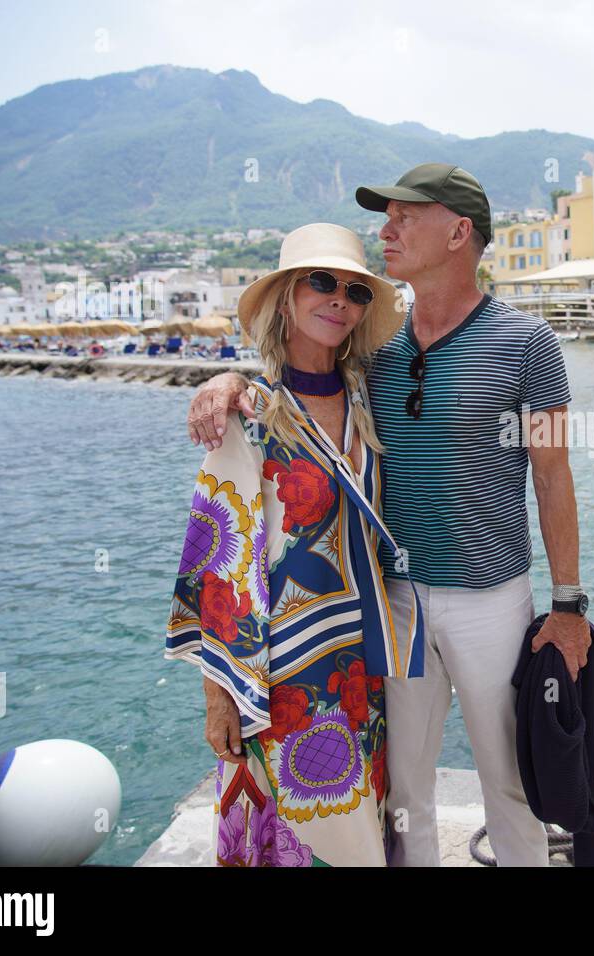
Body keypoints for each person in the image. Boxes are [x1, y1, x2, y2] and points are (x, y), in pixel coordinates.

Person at [187, 163, 591, 867]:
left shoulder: (530, 345)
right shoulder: (376, 353)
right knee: (404, 789)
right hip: (393, 600)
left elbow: (553, 477)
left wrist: (568, 604)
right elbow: (293, 386)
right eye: (387, 217)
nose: (387, 229)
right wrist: (226, 382)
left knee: (512, 784)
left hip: (491, 599)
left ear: (459, 232)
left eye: (405, 216)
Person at [165, 222, 424, 867]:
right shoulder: (250, 415)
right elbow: (213, 565)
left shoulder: (371, 395)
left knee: (360, 826)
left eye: (355, 290)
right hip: (283, 670)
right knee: (296, 836)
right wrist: (218, 699)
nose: (339, 298)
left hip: (363, 662)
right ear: (286, 296)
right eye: (320, 282)